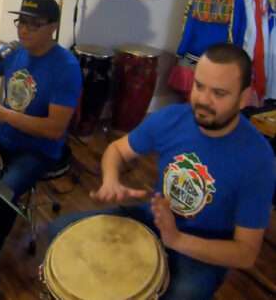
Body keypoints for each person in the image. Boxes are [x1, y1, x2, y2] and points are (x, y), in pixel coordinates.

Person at [48, 43, 275, 299]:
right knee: (59, 230)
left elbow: (245, 253)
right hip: (152, 218)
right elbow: (117, 151)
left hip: (203, 247)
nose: (203, 100)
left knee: (183, 293)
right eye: (199, 86)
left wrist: (176, 239)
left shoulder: (258, 159)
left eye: (219, 93)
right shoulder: (172, 119)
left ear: (244, 98)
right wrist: (111, 181)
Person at [0, 0, 82, 270]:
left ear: (53, 28)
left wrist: (5, 115)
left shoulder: (67, 68)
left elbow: (53, 129)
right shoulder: (13, 51)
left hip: (37, 150)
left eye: (33, 24)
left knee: (1, 193)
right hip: (5, 133)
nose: (24, 29)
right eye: (21, 21)